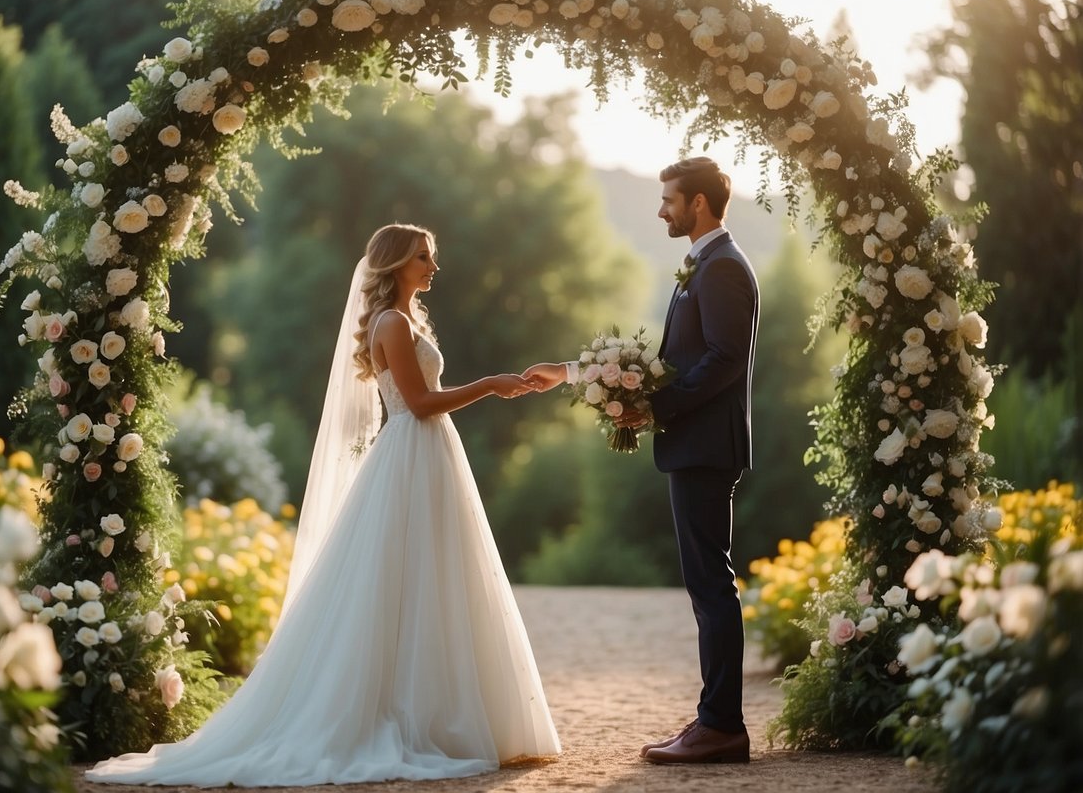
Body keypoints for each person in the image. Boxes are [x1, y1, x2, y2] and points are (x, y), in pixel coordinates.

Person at [86, 223, 561, 786]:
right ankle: (407, 717)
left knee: (435, 578)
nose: (432, 266)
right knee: (399, 580)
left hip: (430, 457)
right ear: (394, 265)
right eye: (422, 258)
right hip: (412, 451)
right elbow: (419, 402)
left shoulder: (407, 320)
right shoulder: (391, 322)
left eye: (430, 257)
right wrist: (489, 385)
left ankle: (446, 713)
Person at [525, 156, 759, 764]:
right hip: (697, 443)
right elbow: (680, 360)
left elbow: (725, 360)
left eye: (670, 200)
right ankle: (715, 719)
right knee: (706, 583)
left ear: (699, 204)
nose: (661, 210)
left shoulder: (723, 267)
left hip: (706, 445)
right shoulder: (705, 264)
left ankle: (722, 726)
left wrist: (657, 408)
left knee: (711, 584)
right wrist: (579, 375)